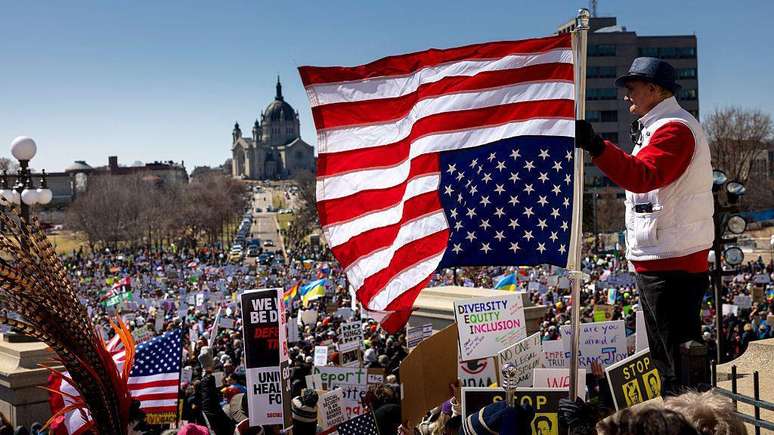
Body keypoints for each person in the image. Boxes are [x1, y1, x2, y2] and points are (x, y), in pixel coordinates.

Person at [576, 57, 713, 394]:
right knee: (667, 362)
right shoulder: (657, 126)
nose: (626, 96)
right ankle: (678, 411)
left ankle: (690, 420)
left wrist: (596, 145)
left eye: (631, 88)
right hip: (660, 257)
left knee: (680, 362)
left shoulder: (675, 128)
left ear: (654, 89)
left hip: (673, 263)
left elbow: (643, 176)